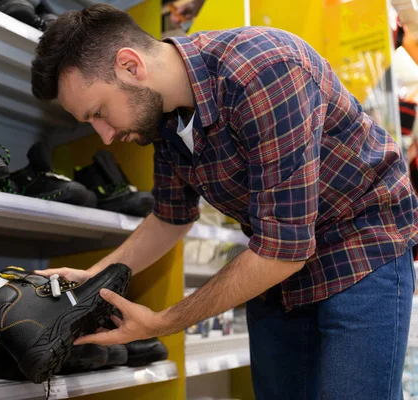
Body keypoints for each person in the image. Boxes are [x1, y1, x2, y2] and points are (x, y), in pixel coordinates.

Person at [30, 4, 418, 399]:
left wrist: (163, 320)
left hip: (361, 244)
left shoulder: (264, 69)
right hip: (279, 263)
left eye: (99, 112)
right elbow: (170, 218)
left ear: (131, 66)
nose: (106, 136)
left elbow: (283, 251)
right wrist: (96, 277)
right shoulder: (161, 117)